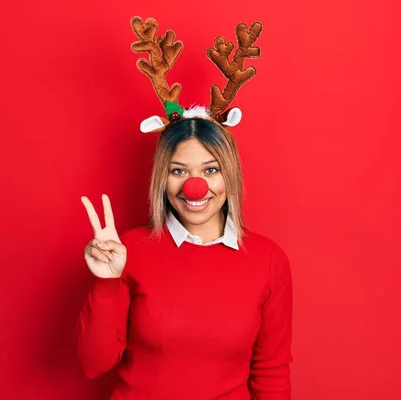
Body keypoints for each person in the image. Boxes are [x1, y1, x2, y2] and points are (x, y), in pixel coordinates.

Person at [74, 17, 293, 399]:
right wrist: (106, 282)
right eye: (179, 170)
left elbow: (271, 373)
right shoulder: (130, 251)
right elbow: (94, 365)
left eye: (210, 169)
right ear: (163, 178)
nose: (196, 186)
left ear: (230, 176)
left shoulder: (268, 259)